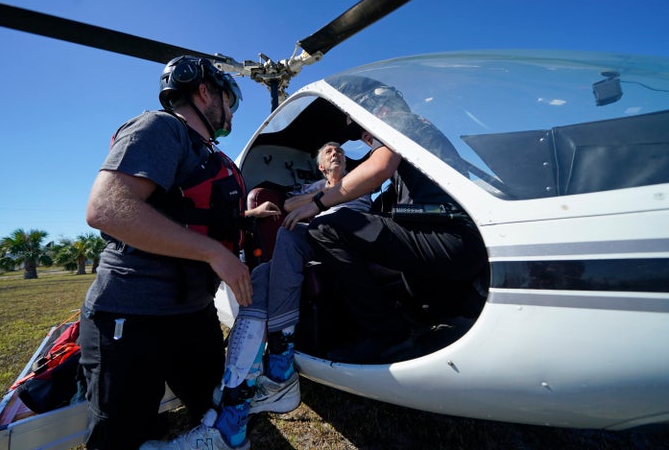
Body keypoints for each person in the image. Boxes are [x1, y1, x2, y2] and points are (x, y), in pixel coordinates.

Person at [78, 56, 281, 450]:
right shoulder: (159, 128)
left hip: (192, 313)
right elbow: (106, 208)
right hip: (134, 313)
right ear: (205, 92)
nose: (232, 113)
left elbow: (189, 212)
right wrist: (215, 254)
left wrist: (245, 217)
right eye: (230, 101)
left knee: (215, 411)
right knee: (120, 435)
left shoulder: (207, 153)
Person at [142, 141, 372, 450]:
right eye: (329, 151)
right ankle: (244, 405)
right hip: (320, 241)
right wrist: (320, 196)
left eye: (339, 150)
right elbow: (289, 206)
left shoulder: (361, 175)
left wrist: (321, 200)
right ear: (319, 166)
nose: (336, 153)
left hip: (355, 236)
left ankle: (259, 392)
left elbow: (349, 194)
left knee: (286, 243)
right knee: (262, 273)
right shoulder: (315, 186)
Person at [283, 76, 488, 364]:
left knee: (325, 227)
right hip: (455, 236)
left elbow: (378, 167)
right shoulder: (420, 132)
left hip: (447, 238)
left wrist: (318, 204)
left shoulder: (399, 122)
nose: (367, 138)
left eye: (364, 129)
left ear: (377, 111)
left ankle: (387, 335)